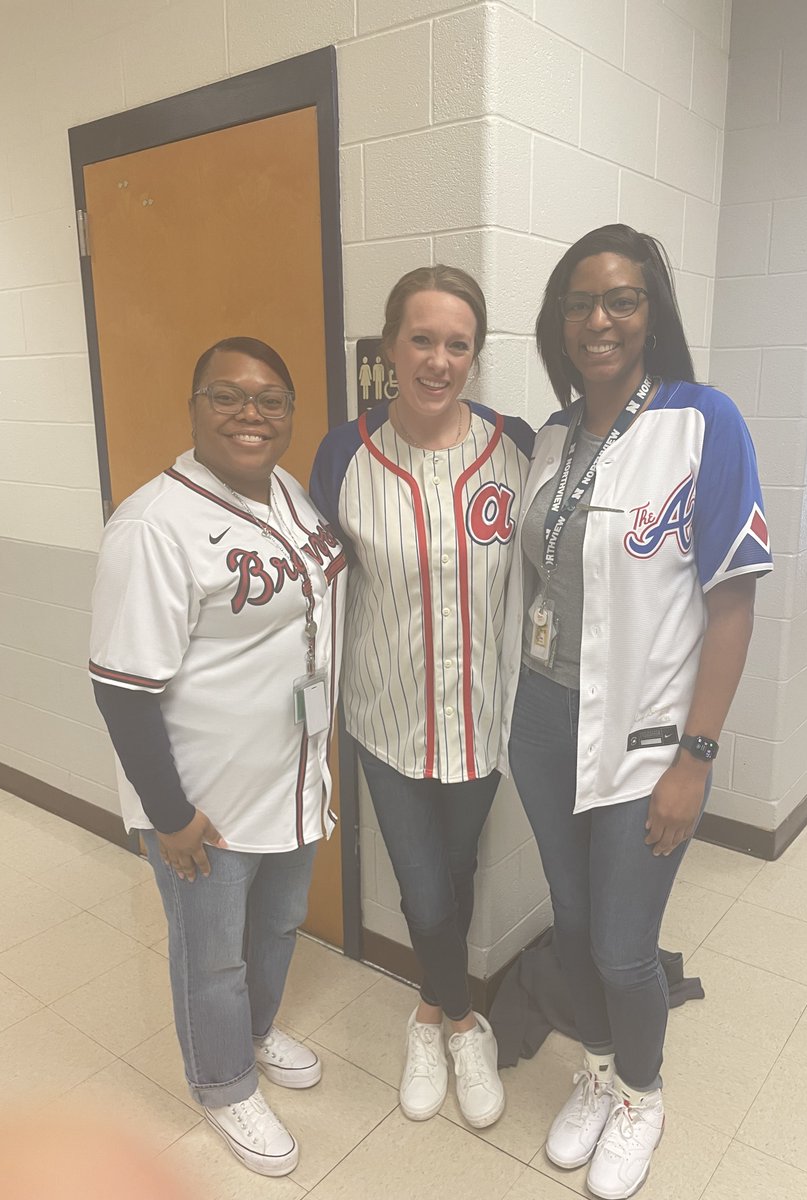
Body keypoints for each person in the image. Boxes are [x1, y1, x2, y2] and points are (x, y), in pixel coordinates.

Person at [500, 225, 772, 1198]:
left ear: (651, 313)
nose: (599, 318)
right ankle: (602, 1066)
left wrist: (694, 758)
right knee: (574, 926)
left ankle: (642, 1092)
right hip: (542, 721)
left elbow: (731, 599)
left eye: (621, 299)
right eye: (580, 301)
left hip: (648, 732)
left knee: (622, 942)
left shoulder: (704, 422)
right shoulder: (553, 435)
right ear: (558, 320)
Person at [89, 337, 346, 1178]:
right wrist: (171, 815)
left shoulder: (289, 493)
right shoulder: (154, 526)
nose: (251, 414)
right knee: (212, 954)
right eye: (228, 396)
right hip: (204, 798)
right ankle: (223, 1082)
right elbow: (122, 689)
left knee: (275, 925)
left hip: (293, 779)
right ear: (194, 406)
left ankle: (257, 1033)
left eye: (271, 400)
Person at [310, 266, 533, 1129]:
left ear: (474, 356)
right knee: (423, 887)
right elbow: (317, 589)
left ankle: (431, 1011)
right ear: (390, 345)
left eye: (458, 344)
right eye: (422, 339)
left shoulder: (514, 446)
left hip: (482, 717)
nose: (438, 360)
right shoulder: (344, 453)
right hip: (385, 715)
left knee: (456, 872)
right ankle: (456, 1020)